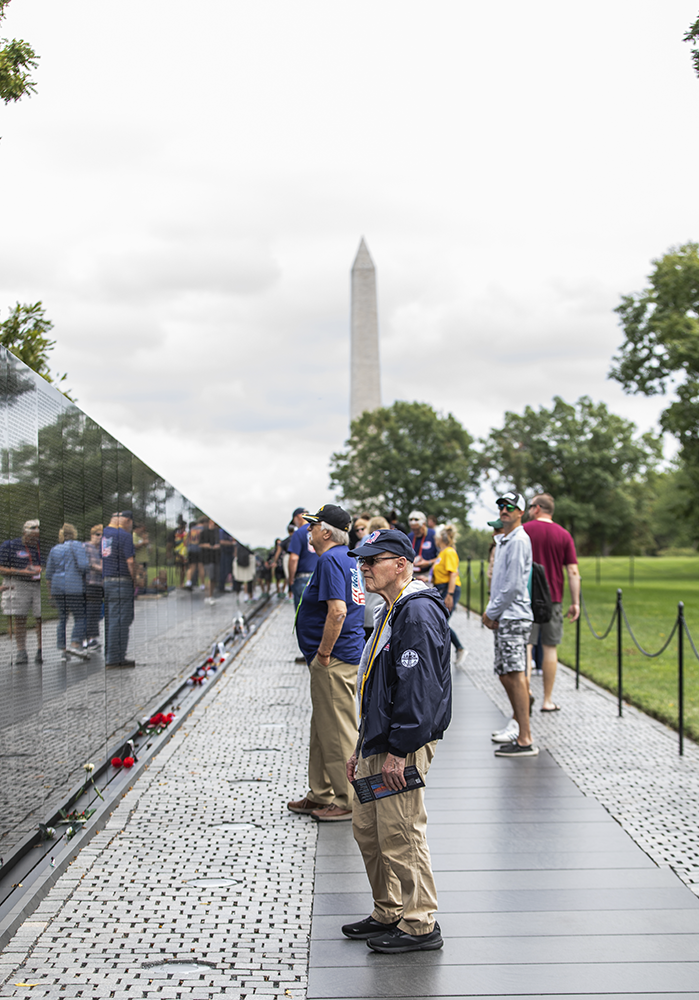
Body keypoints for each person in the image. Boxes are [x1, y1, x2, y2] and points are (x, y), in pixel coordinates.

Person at [343, 528, 451, 953]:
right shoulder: (392, 608)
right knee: (368, 828)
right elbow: (378, 683)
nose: (364, 567)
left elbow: (418, 690)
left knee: (401, 829)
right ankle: (388, 909)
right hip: (379, 737)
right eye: (363, 561)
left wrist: (400, 752)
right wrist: (360, 743)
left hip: (402, 742)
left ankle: (420, 923)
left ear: (401, 565)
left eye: (372, 560)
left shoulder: (417, 612)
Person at [287, 504, 365, 823]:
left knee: (336, 730)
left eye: (314, 525)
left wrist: (323, 653)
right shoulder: (344, 558)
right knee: (322, 727)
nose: (309, 530)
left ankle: (346, 799)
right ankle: (321, 792)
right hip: (338, 656)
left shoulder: (332, 558)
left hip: (334, 659)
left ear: (327, 532)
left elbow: (338, 611)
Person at [482, 492, 538, 758]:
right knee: (505, 672)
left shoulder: (518, 540)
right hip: (505, 615)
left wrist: (491, 611)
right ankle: (521, 715)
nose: (504, 510)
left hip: (514, 615)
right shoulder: (505, 540)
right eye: (501, 506)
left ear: (521, 512)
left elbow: (513, 585)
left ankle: (525, 738)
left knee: (514, 673)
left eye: (510, 506)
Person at [524, 493, 581, 712]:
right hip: (553, 598)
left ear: (537, 508)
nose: (529, 510)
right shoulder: (564, 535)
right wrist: (575, 602)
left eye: (531, 506)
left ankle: (526, 691)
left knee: (526, 646)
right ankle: (547, 700)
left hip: (527, 597)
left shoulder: (525, 531)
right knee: (550, 647)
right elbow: (573, 571)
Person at [0, 519, 43, 665]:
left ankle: (40, 650)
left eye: (37, 536)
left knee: (39, 617)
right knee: (19, 618)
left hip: (36, 584)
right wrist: (21, 572)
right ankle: (21, 652)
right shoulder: (10, 545)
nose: (35, 539)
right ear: (25, 533)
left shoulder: (38, 546)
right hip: (17, 584)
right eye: (32, 536)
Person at [45, 523, 90, 657]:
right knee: (80, 616)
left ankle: (63, 648)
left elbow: (49, 574)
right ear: (74, 533)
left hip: (57, 587)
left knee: (62, 618)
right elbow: (83, 566)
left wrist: (50, 594)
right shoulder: (77, 545)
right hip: (73, 585)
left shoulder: (55, 549)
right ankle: (75, 643)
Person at [102, 511, 136, 667]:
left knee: (111, 619)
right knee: (121, 619)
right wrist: (135, 579)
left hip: (107, 581)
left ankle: (110, 653)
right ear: (127, 521)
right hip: (122, 581)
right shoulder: (124, 535)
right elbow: (130, 561)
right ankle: (116, 657)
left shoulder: (105, 534)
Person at [433, 525, 467, 666]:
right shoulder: (442, 553)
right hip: (441, 588)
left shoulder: (449, 552)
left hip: (448, 589)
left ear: (440, 538)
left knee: (441, 622)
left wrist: (450, 594)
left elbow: (453, 573)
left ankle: (459, 647)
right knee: (439, 621)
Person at [287, 507, 318, 609]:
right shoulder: (319, 530)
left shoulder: (299, 533)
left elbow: (293, 558)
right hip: (319, 576)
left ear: (297, 517)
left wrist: (291, 579)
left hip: (303, 578)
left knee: (302, 614)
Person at [84, 524, 104, 648]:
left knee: (97, 611)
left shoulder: (102, 549)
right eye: (97, 534)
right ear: (92, 535)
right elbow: (86, 563)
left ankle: (93, 638)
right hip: (89, 582)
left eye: (102, 535)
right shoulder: (86, 547)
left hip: (99, 584)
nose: (100, 537)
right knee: (90, 610)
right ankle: (86, 638)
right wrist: (100, 568)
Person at [407, 511, 438, 580]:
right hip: (413, 573)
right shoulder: (410, 536)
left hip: (429, 573)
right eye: (413, 529)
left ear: (424, 524)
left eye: (417, 529)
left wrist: (428, 563)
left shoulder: (433, 535)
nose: (415, 531)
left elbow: (441, 557)